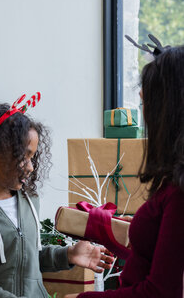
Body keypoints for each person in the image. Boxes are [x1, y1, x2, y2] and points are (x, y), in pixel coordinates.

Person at [0, 97, 114, 298]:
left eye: (32, 157)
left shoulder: (28, 200)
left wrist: (68, 255)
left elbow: (26, 257)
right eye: (23, 156)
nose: (31, 167)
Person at [64, 38, 184, 297]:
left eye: (147, 95)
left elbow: (161, 292)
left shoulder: (179, 192)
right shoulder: (172, 180)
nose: (140, 96)